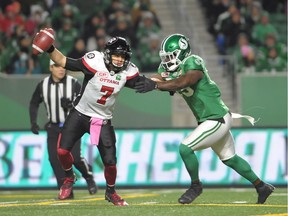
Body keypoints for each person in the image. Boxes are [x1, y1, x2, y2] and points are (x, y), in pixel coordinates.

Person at [134, 33, 275, 204]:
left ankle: (196, 186)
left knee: (185, 148)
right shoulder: (168, 69)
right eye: (165, 57)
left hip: (216, 118)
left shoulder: (193, 62)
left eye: (171, 56)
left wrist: (155, 85)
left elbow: (183, 82)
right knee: (230, 158)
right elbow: (160, 79)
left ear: (182, 52)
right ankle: (262, 186)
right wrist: (136, 79)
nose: (167, 61)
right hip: (211, 119)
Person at [38, 31, 152, 205]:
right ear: (108, 54)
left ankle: (111, 192)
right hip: (79, 114)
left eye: (123, 56)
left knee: (110, 162)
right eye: (116, 55)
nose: (120, 60)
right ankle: (69, 177)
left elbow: (145, 82)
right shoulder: (94, 62)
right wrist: (50, 48)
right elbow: (63, 61)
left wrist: (158, 84)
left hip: (102, 120)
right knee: (61, 151)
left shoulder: (128, 71)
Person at [29, 59, 97, 199]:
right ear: (51, 68)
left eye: (62, 66)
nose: (61, 69)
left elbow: (86, 101)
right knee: (54, 159)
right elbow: (34, 102)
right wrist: (33, 122)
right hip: (53, 127)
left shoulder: (73, 83)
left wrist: (72, 105)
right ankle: (66, 191)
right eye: (57, 66)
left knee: (76, 159)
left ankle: (88, 177)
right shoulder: (43, 85)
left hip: (72, 126)